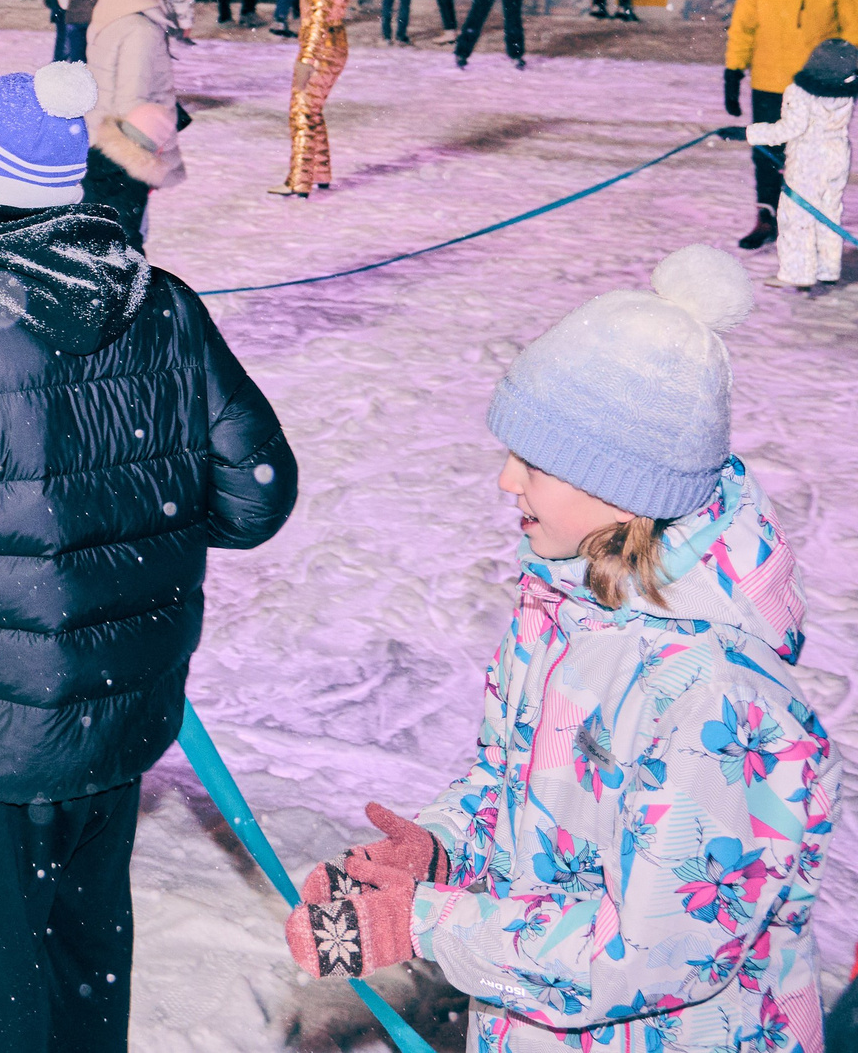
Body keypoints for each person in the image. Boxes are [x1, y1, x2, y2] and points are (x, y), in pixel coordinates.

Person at [285, 246, 835, 1053]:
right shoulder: (566, 608)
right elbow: (519, 794)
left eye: (535, 464)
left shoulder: (718, 698)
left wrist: (421, 920)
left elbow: (650, 956)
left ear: (626, 489)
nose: (507, 480)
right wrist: (444, 849)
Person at [0, 66, 297, 1053]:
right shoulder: (167, 306)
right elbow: (257, 492)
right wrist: (136, 523)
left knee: (1, 959)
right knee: (89, 942)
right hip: (119, 703)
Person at [724, 0, 846, 251]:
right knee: (766, 152)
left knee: (813, 157)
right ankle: (767, 217)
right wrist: (733, 71)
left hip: (818, 87)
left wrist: (845, 75)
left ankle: (808, 224)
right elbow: (743, 27)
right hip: (768, 82)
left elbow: (853, 30)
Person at [83, 0, 185, 244]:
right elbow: (132, 99)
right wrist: (143, 156)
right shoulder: (140, 30)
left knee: (104, 237)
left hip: (101, 141)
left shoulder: (113, 12)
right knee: (124, 241)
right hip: (125, 151)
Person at [736, 38, 856, 290]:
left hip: (808, 158)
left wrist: (748, 133)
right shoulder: (845, 92)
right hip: (837, 157)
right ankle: (828, 268)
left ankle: (797, 273)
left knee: (796, 216)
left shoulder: (800, 91)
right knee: (828, 211)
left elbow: (790, 129)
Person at [270, 0, 359, 198]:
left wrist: (307, 61)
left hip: (321, 50)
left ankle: (299, 180)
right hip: (331, 46)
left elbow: (319, 21)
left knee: (302, 111)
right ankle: (319, 172)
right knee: (312, 109)